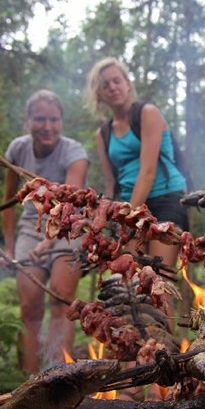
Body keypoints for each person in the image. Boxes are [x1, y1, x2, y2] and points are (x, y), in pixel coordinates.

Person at [1, 89, 88, 374]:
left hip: (68, 230)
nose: (47, 126)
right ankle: (29, 383)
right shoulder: (17, 149)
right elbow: (8, 201)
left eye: (53, 119)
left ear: (62, 121)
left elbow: (68, 204)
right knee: (30, 308)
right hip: (31, 227)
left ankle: (58, 379)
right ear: (28, 121)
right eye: (40, 119)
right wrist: (9, 245)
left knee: (62, 300)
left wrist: (49, 243)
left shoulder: (74, 152)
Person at [86, 57, 189, 269]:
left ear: (127, 83)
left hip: (165, 199)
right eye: (105, 85)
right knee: (132, 280)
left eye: (117, 80)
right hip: (128, 205)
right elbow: (110, 181)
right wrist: (107, 215)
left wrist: (127, 218)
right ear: (99, 94)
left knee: (159, 280)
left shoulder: (147, 113)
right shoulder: (103, 134)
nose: (113, 87)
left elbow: (148, 172)